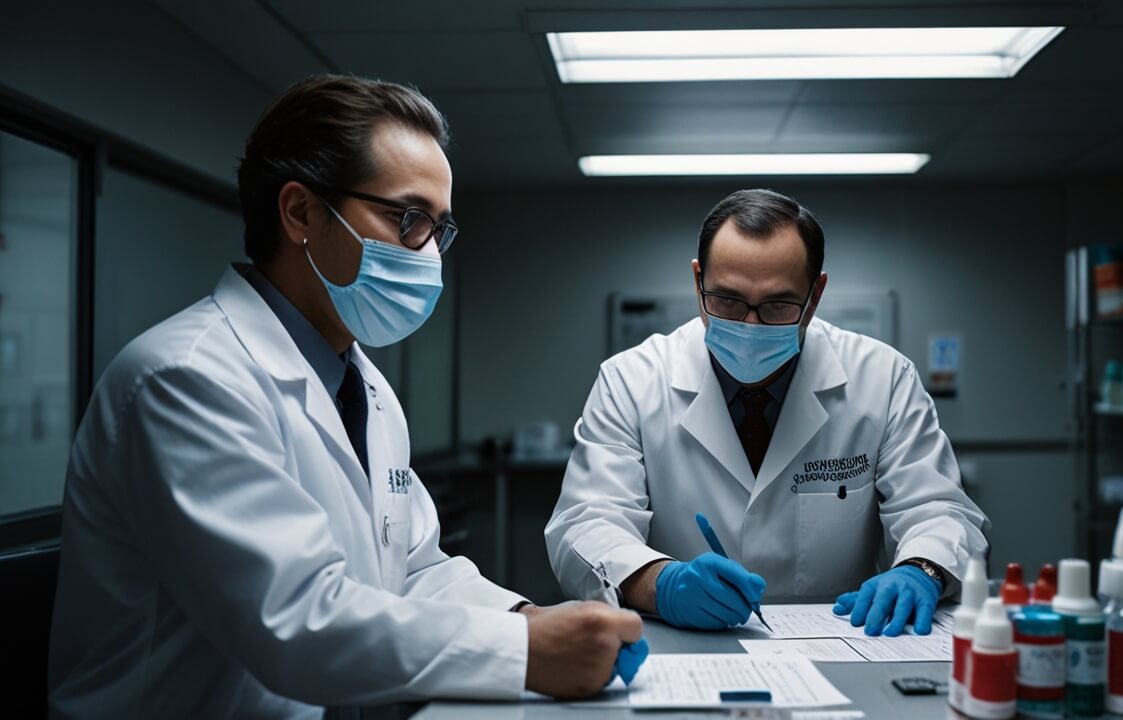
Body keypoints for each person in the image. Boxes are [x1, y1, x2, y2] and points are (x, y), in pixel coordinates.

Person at [47, 75, 643, 718]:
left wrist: (528, 616)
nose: (428, 254)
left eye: (439, 230)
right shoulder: (186, 379)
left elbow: (413, 570)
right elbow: (295, 619)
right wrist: (526, 650)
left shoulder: (365, 387)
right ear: (300, 212)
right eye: (407, 217)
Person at [545, 188, 990, 638]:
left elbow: (939, 509)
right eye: (727, 301)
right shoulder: (631, 381)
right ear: (698, 283)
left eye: (777, 305)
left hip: (844, 641)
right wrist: (660, 583)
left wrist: (920, 570)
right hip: (682, 644)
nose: (748, 326)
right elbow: (587, 523)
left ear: (815, 295)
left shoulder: (883, 378)